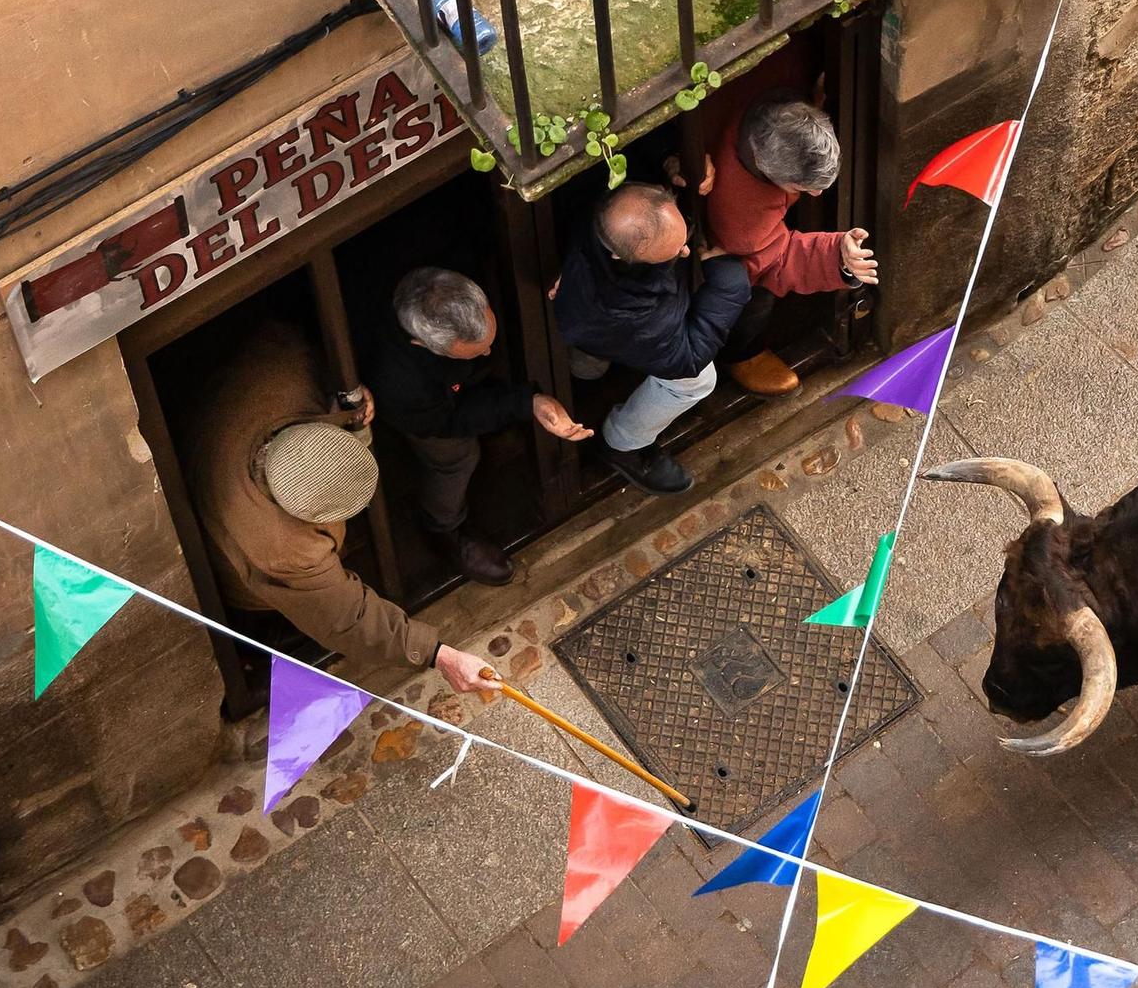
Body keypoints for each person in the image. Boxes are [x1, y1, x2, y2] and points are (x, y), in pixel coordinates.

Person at [187, 324, 499, 697]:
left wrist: (348, 410)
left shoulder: (282, 368)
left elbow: (308, 356)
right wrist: (441, 656)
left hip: (212, 430)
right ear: (308, 518)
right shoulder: (284, 548)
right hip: (234, 570)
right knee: (293, 615)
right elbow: (348, 618)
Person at [366, 266, 591, 586]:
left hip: (458, 381)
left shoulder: (463, 266)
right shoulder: (399, 381)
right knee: (456, 457)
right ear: (421, 343)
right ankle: (443, 528)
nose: (487, 350)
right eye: (474, 351)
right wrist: (525, 403)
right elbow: (449, 420)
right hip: (429, 409)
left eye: (488, 339)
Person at [551, 182, 752, 494]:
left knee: (592, 364)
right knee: (697, 381)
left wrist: (670, 160)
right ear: (623, 258)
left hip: (581, 310)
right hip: (599, 327)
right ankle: (622, 441)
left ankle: (590, 365)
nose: (686, 250)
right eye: (673, 252)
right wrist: (730, 283)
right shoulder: (628, 309)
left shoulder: (605, 211)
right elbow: (687, 359)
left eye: (682, 238)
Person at [704, 78, 879, 397]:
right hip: (730, 238)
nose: (818, 194)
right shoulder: (742, 224)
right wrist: (835, 255)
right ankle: (741, 352)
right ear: (762, 165)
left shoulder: (788, 66)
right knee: (750, 283)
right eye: (802, 188)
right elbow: (776, 262)